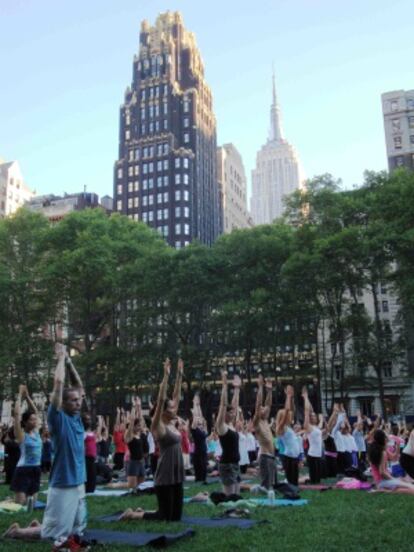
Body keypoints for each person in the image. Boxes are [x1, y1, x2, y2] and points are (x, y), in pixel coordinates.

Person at [3, 343, 89, 550]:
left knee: (77, 529)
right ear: (63, 404)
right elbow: (58, 385)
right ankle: (15, 532)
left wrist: (69, 361)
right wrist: (60, 358)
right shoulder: (57, 418)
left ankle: (34, 527)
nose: (78, 403)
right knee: (57, 534)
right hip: (63, 484)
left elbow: (78, 385)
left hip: (78, 481)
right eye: (74, 400)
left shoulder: (76, 418)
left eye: (79, 400)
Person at [120, 358, 185, 522]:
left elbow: (176, 396)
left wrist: (179, 375)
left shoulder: (171, 422)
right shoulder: (158, 426)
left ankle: (141, 510)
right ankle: (132, 515)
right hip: (164, 474)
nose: (174, 408)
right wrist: (165, 376)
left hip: (176, 474)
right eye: (170, 407)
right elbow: (162, 398)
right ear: (162, 411)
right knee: (164, 517)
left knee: (175, 518)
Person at [10, 385, 42, 505]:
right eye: (31, 420)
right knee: (21, 503)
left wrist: (27, 396)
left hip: (36, 469)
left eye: (35, 420)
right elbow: (17, 414)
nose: (34, 421)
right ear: (25, 422)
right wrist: (19, 395)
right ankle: (11, 500)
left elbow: (36, 412)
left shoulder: (37, 432)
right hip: (23, 469)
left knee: (32, 502)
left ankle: (11, 499)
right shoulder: (21, 435)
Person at [216, 371, 242, 496]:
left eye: (233, 413)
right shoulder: (221, 426)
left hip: (235, 464)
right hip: (226, 465)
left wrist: (236, 389)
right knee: (229, 497)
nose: (233, 414)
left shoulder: (231, 425)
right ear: (224, 414)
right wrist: (225, 387)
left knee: (236, 495)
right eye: (230, 412)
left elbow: (235, 405)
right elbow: (223, 405)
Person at [368, 429, 414, 494]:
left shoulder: (382, 450)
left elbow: (394, 458)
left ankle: (382, 489)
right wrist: (394, 479)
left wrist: (397, 446)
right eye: (385, 435)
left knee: (406, 483)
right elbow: (382, 472)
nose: (387, 436)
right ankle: (382, 490)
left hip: (381, 481)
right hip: (383, 482)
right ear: (383, 439)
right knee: (411, 488)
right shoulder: (382, 452)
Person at [253, 375, 277, 490]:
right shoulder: (257, 422)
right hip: (265, 457)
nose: (264, 409)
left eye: (264, 409)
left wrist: (270, 391)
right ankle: (257, 491)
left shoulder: (265, 421)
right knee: (265, 486)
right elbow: (258, 405)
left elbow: (268, 404)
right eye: (262, 409)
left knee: (272, 484)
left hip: (271, 456)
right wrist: (260, 387)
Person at [276, 385, 300, 486]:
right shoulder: (281, 428)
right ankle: (290, 491)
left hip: (294, 456)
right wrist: (288, 396)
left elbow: (291, 410)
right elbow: (287, 411)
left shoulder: (288, 427)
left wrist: (292, 398)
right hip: (288, 457)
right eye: (288, 416)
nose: (291, 417)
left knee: (295, 479)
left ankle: (294, 490)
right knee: (291, 479)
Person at [124, 397, 148, 489]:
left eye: (139, 426)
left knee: (141, 487)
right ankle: (114, 485)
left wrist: (139, 406)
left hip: (141, 462)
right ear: (133, 426)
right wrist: (134, 406)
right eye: (137, 426)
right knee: (132, 487)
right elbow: (132, 421)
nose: (139, 427)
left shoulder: (139, 433)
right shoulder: (129, 435)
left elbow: (141, 420)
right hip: (133, 462)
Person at [302, 386, 323, 484]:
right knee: (314, 481)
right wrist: (305, 398)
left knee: (318, 479)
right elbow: (307, 411)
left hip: (318, 455)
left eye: (315, 416)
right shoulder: (309, 427)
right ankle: (306, 482)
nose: (314, 417)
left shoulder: (316, 427)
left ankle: (306, 481)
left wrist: (308, 398)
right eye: (313, 416)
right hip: (312, 455)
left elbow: (311, 409)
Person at [191, 393, 208, 484]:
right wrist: (195, 404)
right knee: (199, 466)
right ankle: (199, 479)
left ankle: (203, 480)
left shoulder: (203, 429)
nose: (200, 420)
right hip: (198, 452)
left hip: (204, 450)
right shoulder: (194, 429)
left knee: (204, 466)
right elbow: (196, 417)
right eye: (199, 421)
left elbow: (200, 416)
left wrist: (198, 405)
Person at [82, 412, 97, 494]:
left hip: (92, 455)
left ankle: (91, 488)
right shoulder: (82, 432)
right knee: (87, 473)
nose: (89, 421)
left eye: (89, 419)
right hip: (85, 456)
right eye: (87, 419)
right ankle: (86, 488)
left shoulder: (91, 432)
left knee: (92, 472)